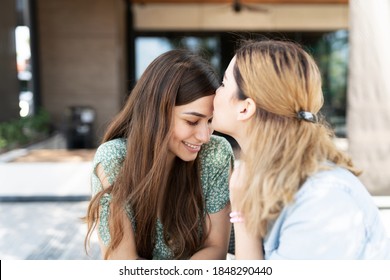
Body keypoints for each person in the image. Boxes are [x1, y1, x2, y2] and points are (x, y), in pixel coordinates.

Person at [212, 39, 390, 259]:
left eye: (223, 83)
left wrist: (242, 216)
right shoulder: (279, 181)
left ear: (245, 108)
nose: (214, 93)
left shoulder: (322, 199)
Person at [84, 49, 234, 260]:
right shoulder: (114, 159)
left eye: (210, 121)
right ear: (157, 114)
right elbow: (122, 263)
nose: (205, 136)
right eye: (192, 121)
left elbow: (216, 248)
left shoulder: (215, 153)